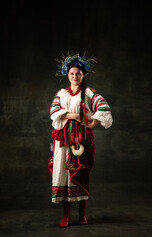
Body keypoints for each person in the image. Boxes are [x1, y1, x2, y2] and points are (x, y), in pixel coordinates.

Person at [49, 54, 113, 228]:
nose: (75, 77)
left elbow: (102, 105)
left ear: (83, 74)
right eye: (71, 74)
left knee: (81, 173)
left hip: (81, 139)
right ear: (67, 75)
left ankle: (82, 214)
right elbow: (54, 111)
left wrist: (93, 122)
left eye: (78, 73)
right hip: (63, 138)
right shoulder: (61, 93)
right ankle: (66, 216)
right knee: (63, 173)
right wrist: (73, 115)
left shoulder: (89, 92)